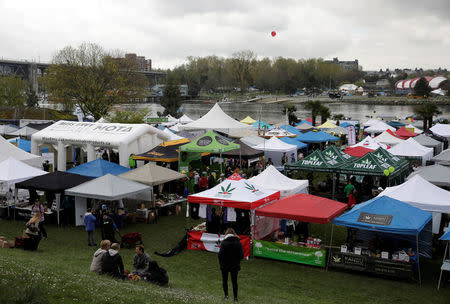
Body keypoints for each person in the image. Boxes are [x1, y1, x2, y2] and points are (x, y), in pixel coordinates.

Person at [218, 228, 244, 301]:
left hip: (225, 265)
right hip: (235, 265)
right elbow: (241, 255)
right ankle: (235, 297)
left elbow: (220, 255)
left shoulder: (224, 243)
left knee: (225, 280)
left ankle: (226, 296)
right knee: (234, 282)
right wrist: (237, 261)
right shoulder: (238, 243)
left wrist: (221, 263)